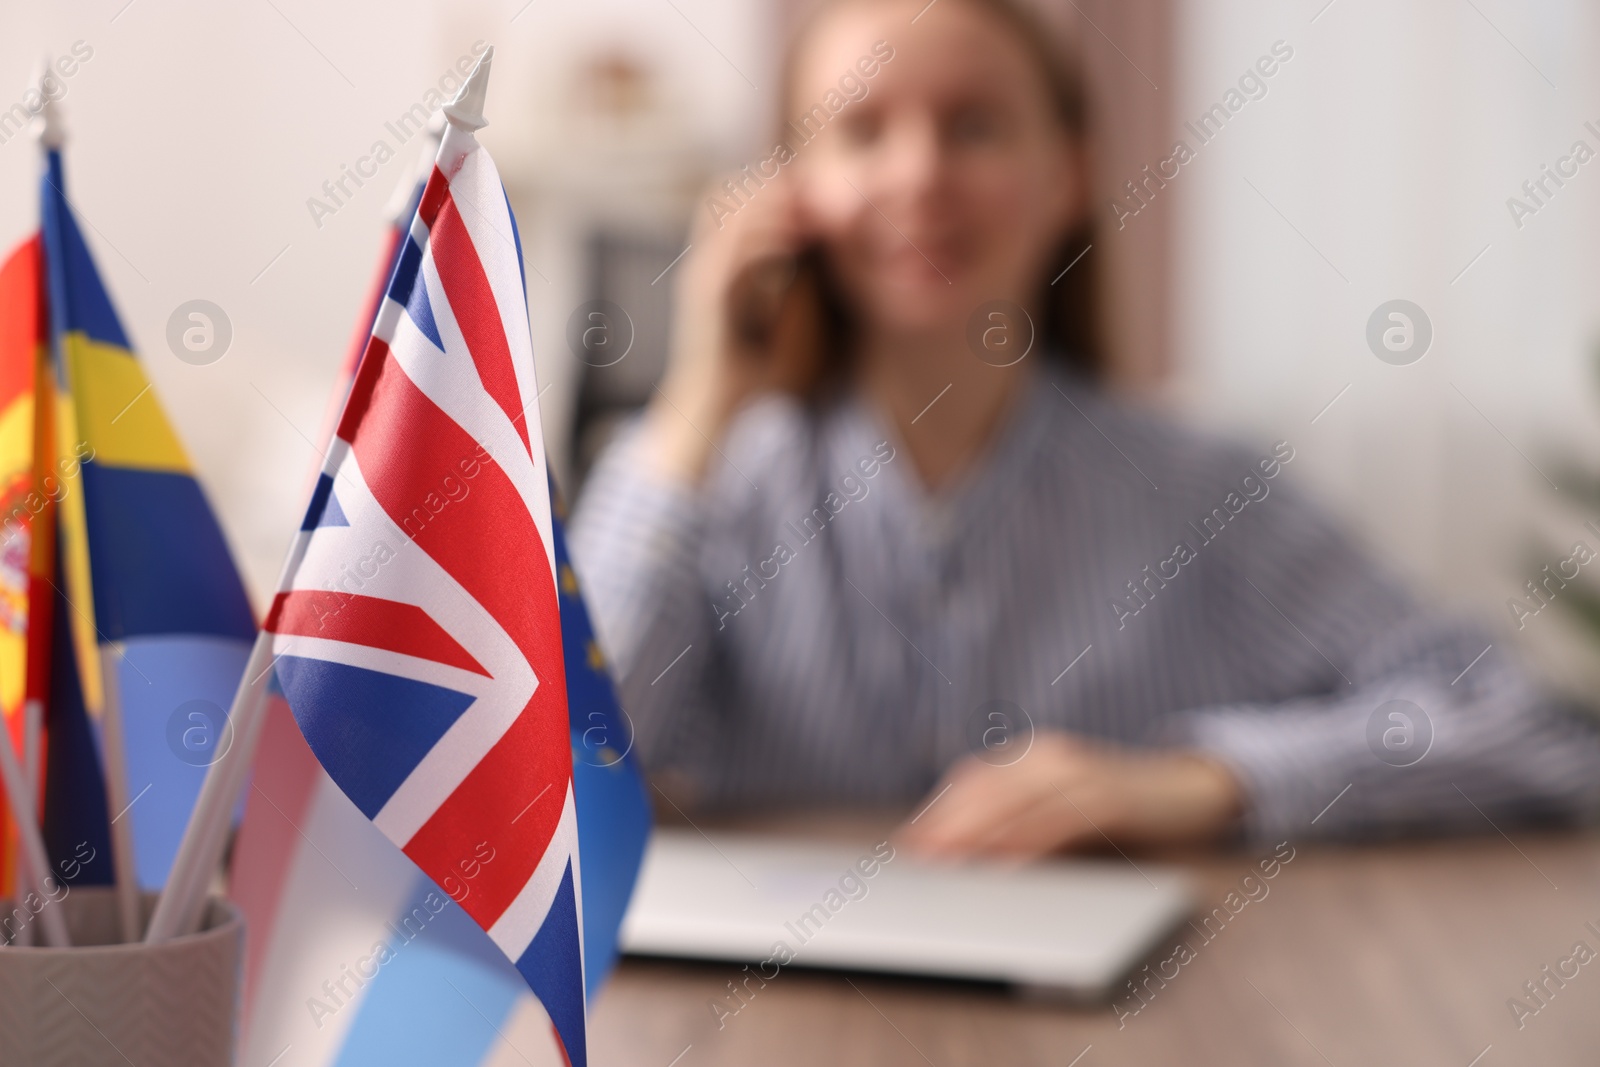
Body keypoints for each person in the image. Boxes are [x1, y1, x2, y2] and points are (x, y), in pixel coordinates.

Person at [570, 0, 1600, 859]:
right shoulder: (704, 484)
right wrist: (699, 400)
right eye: (861, 130)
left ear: (1067, 175)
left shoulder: (1200, 490)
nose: (921, 174)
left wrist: (1205, 778)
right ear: (789, 194)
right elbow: (554, 788)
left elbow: (1527, 727)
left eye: (974, 126)